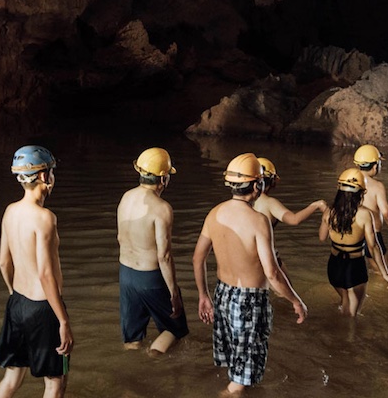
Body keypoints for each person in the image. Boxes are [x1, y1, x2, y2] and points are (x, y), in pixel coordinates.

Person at [193, 153, 307, 395]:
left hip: (222, 294)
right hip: (250, 301)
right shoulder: (258, 221)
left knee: (236, 362)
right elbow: (272, 273)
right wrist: (295, 300)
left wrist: (203, 295)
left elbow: (198, 257)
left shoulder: (214, 213)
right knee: (240, 380)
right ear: (257, 185)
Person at [0, 146, 73, 398]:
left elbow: (4, 263)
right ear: (42, 176)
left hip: (17, 303)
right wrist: (63, 321)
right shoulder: (45, 218)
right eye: (51, 171)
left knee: (12, 377)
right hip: (43, 308)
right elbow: (46, 275)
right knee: (55, 382)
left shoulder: (10, 211)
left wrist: (15, 296)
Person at [116, 147, 189, 354]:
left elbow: (120, 237)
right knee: (174, 329)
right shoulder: (162, 208)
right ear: (164, 178)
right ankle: (153, 358)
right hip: (150, 277)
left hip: (126, 275)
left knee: (132, 338)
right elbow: (164, 256)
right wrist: (174, 292)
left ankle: (133, 375)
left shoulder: (126, 198)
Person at [319, 168, 388, 317]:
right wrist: (385, 273)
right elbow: (373, 247)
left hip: (334, 266)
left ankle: (334, 332)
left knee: (345, 304)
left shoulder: (329, 212)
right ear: (361, 193)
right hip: (355, 268)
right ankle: (349, 338)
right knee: (352, 316)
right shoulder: (365, 215)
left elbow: (322, 237)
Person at [252, 157, 326, 275]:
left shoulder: (239, 203)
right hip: (265, 254)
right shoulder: (269, 202)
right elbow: (294, 219)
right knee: (286, 291)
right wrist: (316, 205)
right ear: (272, 181)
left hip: (243, 255)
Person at [353, 145, 388, 261]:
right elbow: (387, 215)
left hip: (351, 235)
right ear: (375, 166)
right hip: (371, 235)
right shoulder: (377, 186)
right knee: (382, 274)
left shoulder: (347, 181)